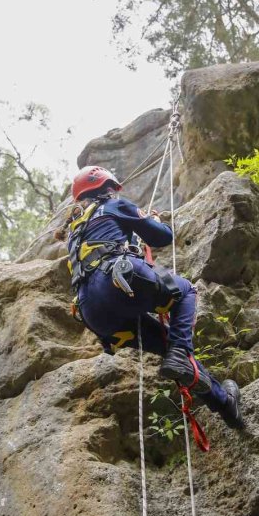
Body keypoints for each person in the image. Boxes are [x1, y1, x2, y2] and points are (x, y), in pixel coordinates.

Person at [58, 165, 244, 429]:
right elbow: (162, 237)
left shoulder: (76, 231)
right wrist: (155, 221)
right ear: (108, 188)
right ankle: (181, 353)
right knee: (186, 292)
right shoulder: (113, 206)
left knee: (170, 344)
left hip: (93, 312)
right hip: (115, 280)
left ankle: (224, 404)